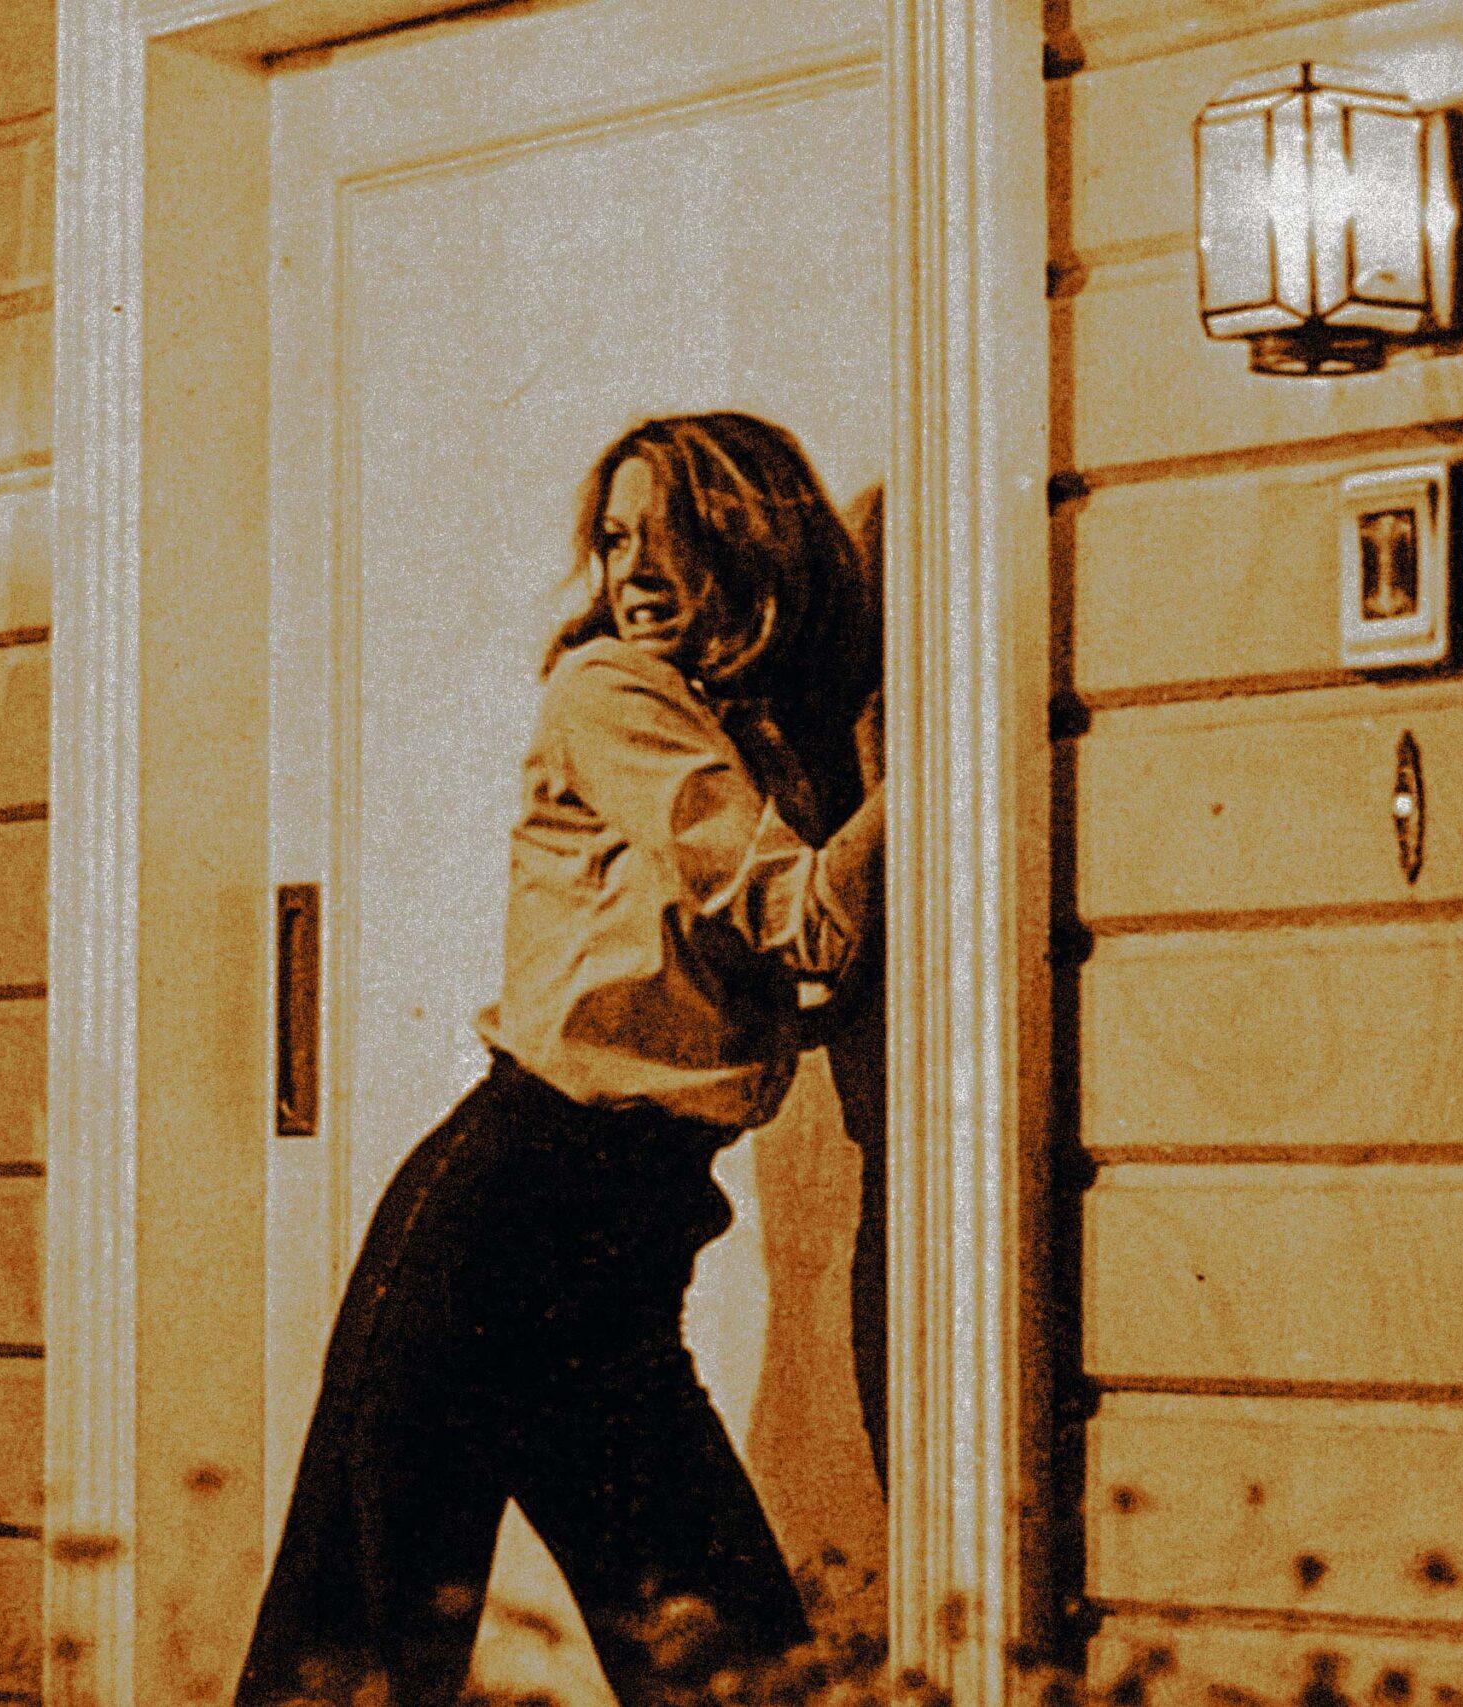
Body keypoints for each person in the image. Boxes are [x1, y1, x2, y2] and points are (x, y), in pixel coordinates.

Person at [235, 413, 887, 1707]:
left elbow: (797, 966)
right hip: (511, 1210)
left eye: (669, 537)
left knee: (733, 1667)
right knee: (359, 1662)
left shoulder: (742, 730)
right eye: (615, 538)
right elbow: (806, 915)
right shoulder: (612, 691)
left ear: (747, 542)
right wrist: (939, 765)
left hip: (620, 1245)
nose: (634, 570)